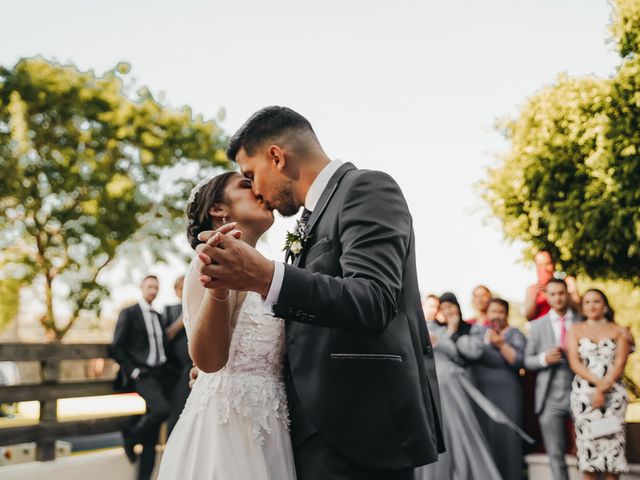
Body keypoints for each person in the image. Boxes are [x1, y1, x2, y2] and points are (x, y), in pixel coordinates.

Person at [194, 106, 444, 479]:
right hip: (306, 433)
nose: (257, 191)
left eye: (251, 175)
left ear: (276, 156)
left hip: (360, 429)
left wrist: (266, 277)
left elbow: (373, 299)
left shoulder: (366, 188)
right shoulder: (309, 220)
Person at [157, 171, 296, 479]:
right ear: (217, 209)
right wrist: (219, 289)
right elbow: (207, 361)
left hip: (274, 421)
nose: (260, 191)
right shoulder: (209, 263)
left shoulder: (271, 273)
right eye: (247, 185)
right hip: (226, 425)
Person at [416, 292, 501, 480]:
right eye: (441, 307)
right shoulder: (428, 329)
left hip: (454, 386)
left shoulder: (467, 330)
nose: (445, 311)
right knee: (439, 430)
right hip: (433, 386)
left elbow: (466, 352)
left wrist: (453, 331)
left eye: (449, 307)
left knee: (461, 429)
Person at [110, 275, 172, 480]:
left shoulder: (159, 315)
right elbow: (116, 347)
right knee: (162, 410)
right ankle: (130, 436)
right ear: (141, 287)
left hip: (161, 374)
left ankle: (144, 477)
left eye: (156, 287)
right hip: (143, 374)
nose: (153, 290)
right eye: (150, 286)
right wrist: (134, 371)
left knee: (152, 437)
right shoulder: (129, 313)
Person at [567, 289, 630, 479]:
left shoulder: (619, 330)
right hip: (585, 398)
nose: (592, 305)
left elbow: (620, 363)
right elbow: (574, 363)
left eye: (596, 301)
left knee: (613, 452)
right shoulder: (575, 330)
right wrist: (597, 386)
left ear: (605, 306)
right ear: (582, 307)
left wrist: (603, 389)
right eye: (587, 302)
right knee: (588, 452)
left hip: (614, 398)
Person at [524, 278, 579, 480]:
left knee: (585, 449)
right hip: (548, 398)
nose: (557, 298)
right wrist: (543, 359)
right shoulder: (537, 325)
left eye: (561, 293)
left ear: (567, 295)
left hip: (580, 393)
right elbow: (527, 360)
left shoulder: (581, 320)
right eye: (553, 294)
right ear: (547, 296)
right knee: (555, 454)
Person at [471, 298, 527, 480]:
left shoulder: (514, 334)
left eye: (501, 312)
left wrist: (501, 345)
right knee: (486, 436)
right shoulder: (478, 333)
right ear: (487, 314)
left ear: (507, 314)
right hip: (482, 394)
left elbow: (518, 361)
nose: (496, 316)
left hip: (508, 394)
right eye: (493, 312)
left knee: (507, 437)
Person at [162, 275, 190, 435]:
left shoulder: (197, 305)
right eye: (181, 287)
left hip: (196, 367)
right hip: (177, 369)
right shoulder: (169, 309)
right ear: (176, 291)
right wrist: (181, 322)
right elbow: (163, 337)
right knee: (176, 411)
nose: (184, 290)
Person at [525, 250, 580, 321]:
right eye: (540, 265)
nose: (544, 269)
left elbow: (578, 309)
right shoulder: (532, 289)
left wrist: (560, 291)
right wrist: (534, 296)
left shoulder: (568, 282)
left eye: (547, 263)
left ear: (553, 264)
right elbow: (529, 317)